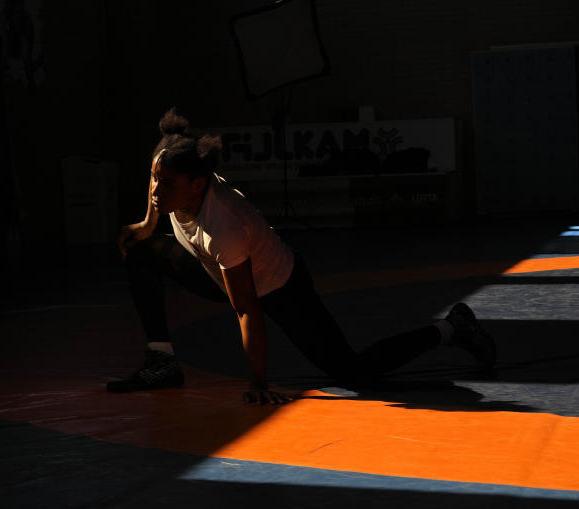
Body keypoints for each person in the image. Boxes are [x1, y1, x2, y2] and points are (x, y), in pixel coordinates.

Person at [107, 108, 496, 404]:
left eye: (166, 182)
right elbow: (158, 180)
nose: (156, 188)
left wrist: (258, 383)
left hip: (278, 285)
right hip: (215, 269)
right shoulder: (173, 184)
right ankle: (161, 362)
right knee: (138, 249)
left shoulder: (225, 224)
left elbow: (248, 311)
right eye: (154, 176)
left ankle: (452, 328)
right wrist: (145, 223)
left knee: (354, 372)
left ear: (196, 186)